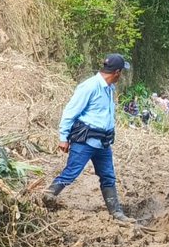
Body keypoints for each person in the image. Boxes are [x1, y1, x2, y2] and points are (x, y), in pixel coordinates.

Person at [43, 53, 131, 222]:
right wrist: (63, 137)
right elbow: (70, 112)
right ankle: (47, 197)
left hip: (103, 142)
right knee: (70, 173)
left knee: (108, 176)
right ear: (117, 72)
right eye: (122, 73)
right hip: (85, 141)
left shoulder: (109, 88)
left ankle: (116, 212)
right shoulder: (89, 87)